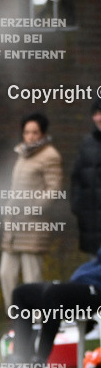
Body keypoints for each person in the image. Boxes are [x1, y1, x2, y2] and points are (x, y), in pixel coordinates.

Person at [0, 249, 101, 368]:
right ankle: (19, 358)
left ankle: (39, 362)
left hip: (95, 291)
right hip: (78, 285)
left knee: (55, 294)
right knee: (21, 293)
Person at [0, 112, 63, 306]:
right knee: (5, 274)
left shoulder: (50, 156)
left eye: (35, 132)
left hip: (34, 226)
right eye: (27, 132)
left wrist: (34, 210)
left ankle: (35, 321)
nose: (30, 136)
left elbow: (54, 189)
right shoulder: (22, 154)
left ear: (43, 133)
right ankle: (15, 318)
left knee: (32, 276)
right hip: (14, 224)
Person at [70, 99, 101, 254]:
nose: (97, 118)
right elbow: (76, 179)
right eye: (95, 113)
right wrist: (78, 207)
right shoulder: (87, 143)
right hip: (92, 227)